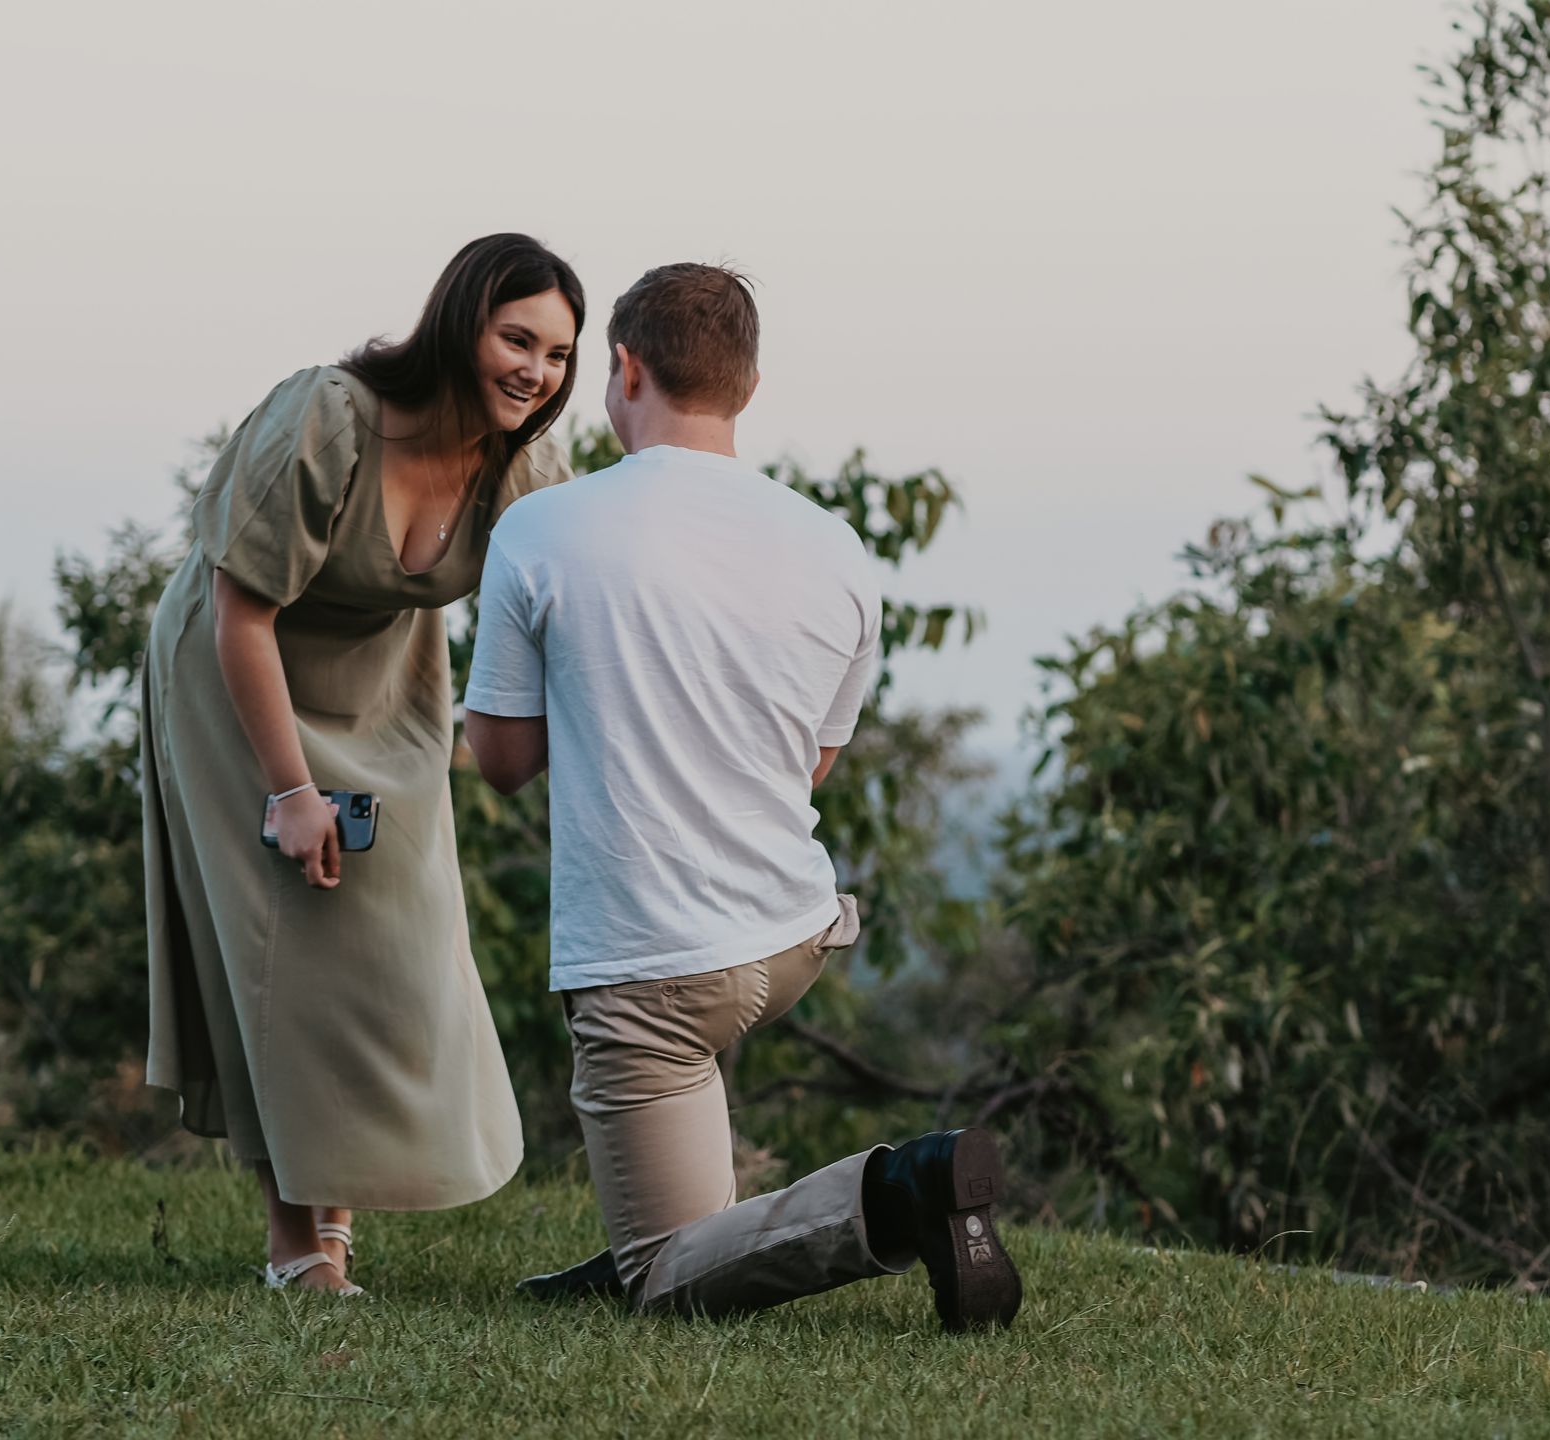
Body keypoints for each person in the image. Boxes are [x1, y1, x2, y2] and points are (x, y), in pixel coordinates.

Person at [462, 263, 1023, 1331]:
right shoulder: (838, 549)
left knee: (669, 1277)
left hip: (657, 966)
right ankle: (670, 1218)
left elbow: (500, 760)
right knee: (683, 1179)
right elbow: (808, 764)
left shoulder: (543, 531)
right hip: (791, 936)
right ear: (748, 388)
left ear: (624, 369)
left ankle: (902, 1190)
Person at [141, 234, 583, 1294]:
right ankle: (303, 1247)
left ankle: (335, 1216)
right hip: (236, 671)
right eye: (516, 337)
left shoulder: (527, 464)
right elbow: (242, 611)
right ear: (459, 324)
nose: (537, 370)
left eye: (560, 354)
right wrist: (291, 791)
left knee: (392, 931)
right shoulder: (330, 418)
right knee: (287, 936)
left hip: (385, 680)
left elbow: (560, 622)